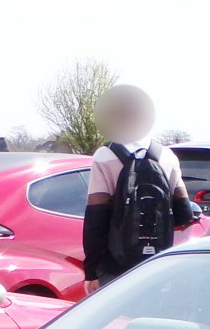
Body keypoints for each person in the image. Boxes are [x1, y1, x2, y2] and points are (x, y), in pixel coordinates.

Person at [82, 84, 198, 294]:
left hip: (115, 265)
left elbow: (95, 219)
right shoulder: (167, 156)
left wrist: (91, 271)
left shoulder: (105, 156)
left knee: (116, 323)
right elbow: (184, 214)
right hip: (157, 265)